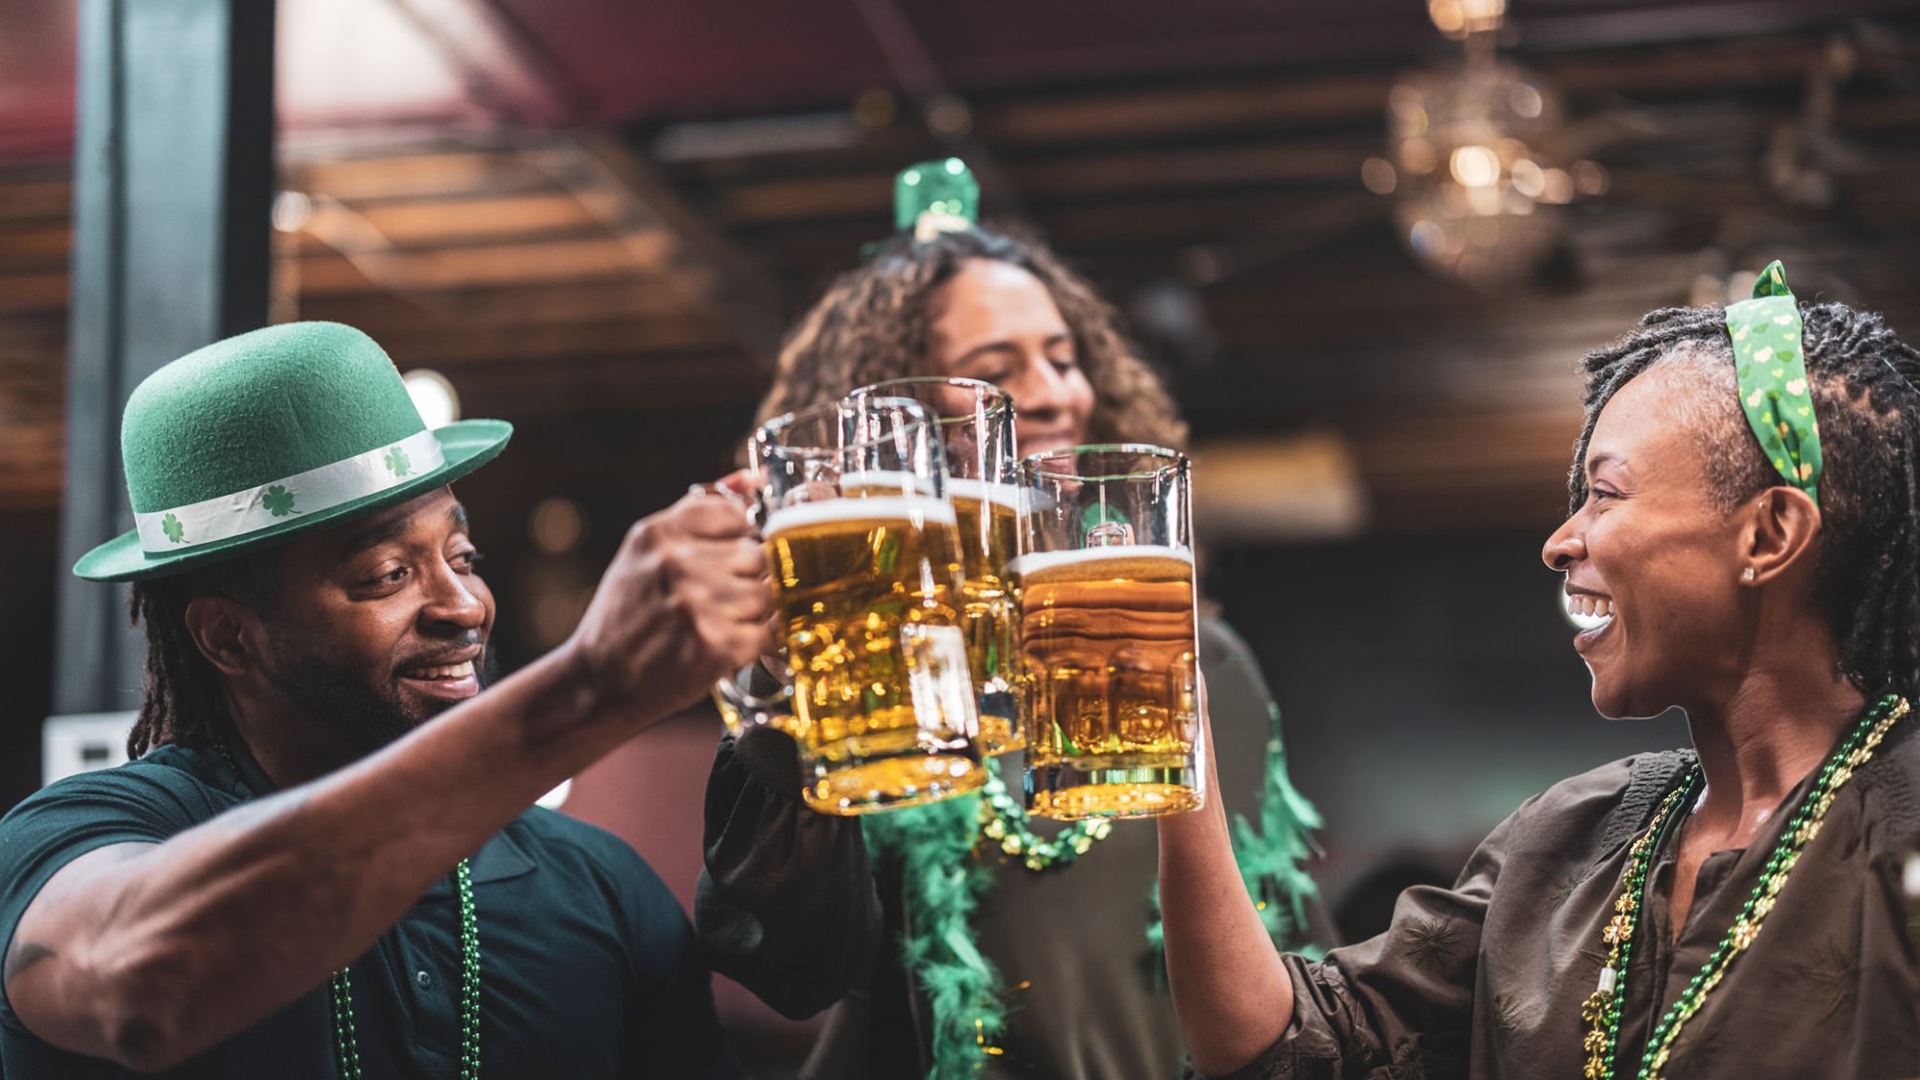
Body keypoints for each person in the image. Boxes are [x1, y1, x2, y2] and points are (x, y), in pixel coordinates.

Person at [1156, 264, 1920, 1078]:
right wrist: (1179, 752)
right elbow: (1286, 1047)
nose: (1561, 541)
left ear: (1768, 535)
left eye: (1604, 493)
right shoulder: (1568, 840)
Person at [0, 322, 772, 1078]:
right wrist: (588, 687)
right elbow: (142, 990)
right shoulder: (78, 836)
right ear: (229, 638)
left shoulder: (601, 887)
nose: (464, 605)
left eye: (461, 556)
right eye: (388, 577)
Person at [696, 160, 1328, 1080]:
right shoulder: (866, 670)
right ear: (893, 418)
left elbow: (1294, 951)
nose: (1050, 391)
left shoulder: (1207, 665)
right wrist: (778, 680)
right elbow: (789, 966)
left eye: (1064, 358)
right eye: (996, 371)